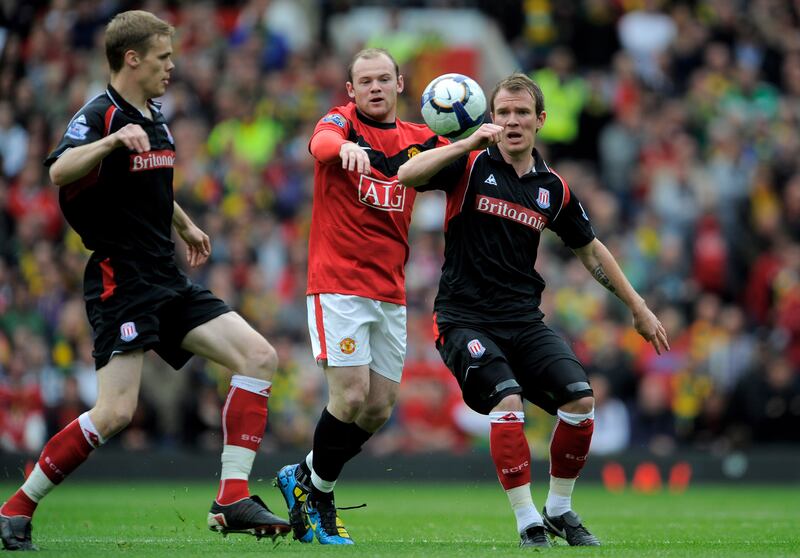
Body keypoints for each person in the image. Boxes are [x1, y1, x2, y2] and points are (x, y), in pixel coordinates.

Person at [0, 11, 290, 551]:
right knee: (114, 413)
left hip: (166, 273)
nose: (172, 68)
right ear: (131, 59)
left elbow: (151, 184)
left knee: (259, 358)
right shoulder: (100, 115)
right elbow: (58, 171)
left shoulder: (153, 114)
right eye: (162, 58)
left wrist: (185, 223)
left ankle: (231, 497)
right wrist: (111, 143)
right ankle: (16, 507)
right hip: (122, 278)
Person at [398, 73, 670, 548]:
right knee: (507, 402)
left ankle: (559, 509)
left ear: (540, 120)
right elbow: (408, 175)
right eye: (502, 112)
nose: (512, 121)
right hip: (464, 320)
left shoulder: (553, 189)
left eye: (522, 112)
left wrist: (638, 307)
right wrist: (463, 145)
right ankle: (528, 521)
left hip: (523, 322)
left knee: (581, 401)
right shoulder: (469, 165)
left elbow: (590, 250)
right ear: (491, 119)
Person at [274, 48, 449, 545]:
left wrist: (477, 139)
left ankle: (304, 479)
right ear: (351, 90)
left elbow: (458, 162)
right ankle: (320, 499)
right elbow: (321, 144)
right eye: (364, 81)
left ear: (400, 83)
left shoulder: (419, 140)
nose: (374, 88)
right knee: (348, 395)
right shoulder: (341, 122)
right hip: (338, 285)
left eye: (382, 79)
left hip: (389, 290)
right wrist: (343, 147)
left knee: (378, 408)